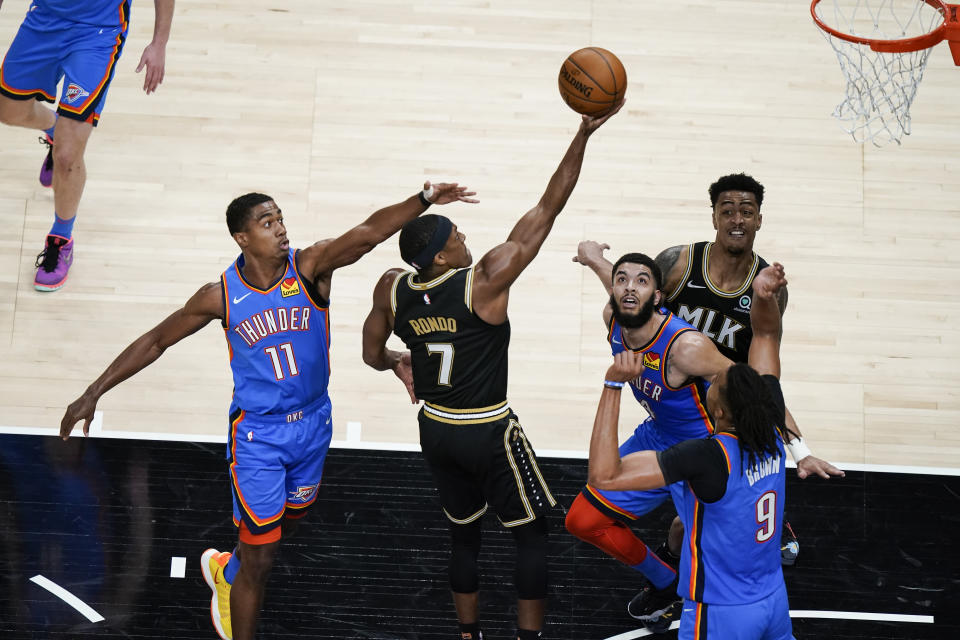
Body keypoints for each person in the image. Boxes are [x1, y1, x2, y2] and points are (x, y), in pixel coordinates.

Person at [59, 182, 477, 640]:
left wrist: (422, 199)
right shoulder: (220, 295)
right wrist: (94, 390)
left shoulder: (310, 266)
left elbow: (367, 234)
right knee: (262, 555)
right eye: (267, 223)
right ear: (242, 237)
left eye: (280, 219)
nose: (280, 229)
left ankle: (226, 568)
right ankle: (238, 599)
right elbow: (156, 340)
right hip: (258, 437)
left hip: (315, 424)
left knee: (285, 526)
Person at [360, 102, 622, 640]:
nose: (463, 236)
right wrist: (583, 133)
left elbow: (369, 353)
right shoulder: (482, 282)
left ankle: (468, 634)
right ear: (438, 257)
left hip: (435, 430)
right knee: (531, 536)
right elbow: (546, 210)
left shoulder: (391, 285)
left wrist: (394, 360)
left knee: (464, 537)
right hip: (487, 429)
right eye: (454, 234)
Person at [573, 173, 842, 566]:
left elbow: (761, 370)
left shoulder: (765, 287)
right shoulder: (679, 263)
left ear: (759, 220)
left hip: (722, 420)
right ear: (714, 216)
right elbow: (635, 298)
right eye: (727, 211)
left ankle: (757, 494)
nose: (736, 220)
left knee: (701, 535)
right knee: (587, 520)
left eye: (746, 212)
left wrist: (795, 448)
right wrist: (597, 261)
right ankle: (667, 579)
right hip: (670, 416)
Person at [588, 263, 836, 639]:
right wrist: (763, 298)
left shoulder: (704, 457)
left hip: (722, 612)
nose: (713, 380)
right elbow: (766, 336)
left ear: (716, 411)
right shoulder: (770, 434)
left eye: (715, 385)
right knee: (683, 524)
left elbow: (604, 476)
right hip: (772, 600)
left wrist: (612, 384)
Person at [0, 0, 174, 291]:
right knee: (8, 111)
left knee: (68, 154)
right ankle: (55, 127)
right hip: (43, 21)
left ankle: (61, 238)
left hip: (97, 33)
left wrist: (159, 43)